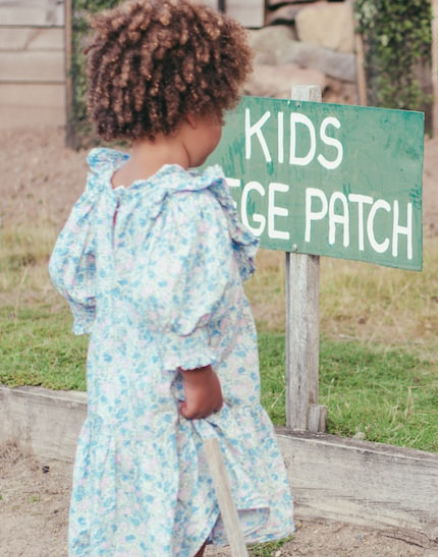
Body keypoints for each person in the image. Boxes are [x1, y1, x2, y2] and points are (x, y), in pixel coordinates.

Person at [48, 0, 294, 554]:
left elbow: (73, 270)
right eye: (221, 112)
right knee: (187, 504)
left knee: (140, 515)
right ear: (193, 110)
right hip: (173, 395)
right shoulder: (186, 203)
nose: (221, 127)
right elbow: (173, 297)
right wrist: (199, 372)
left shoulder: (111, 186)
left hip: (121, 390)